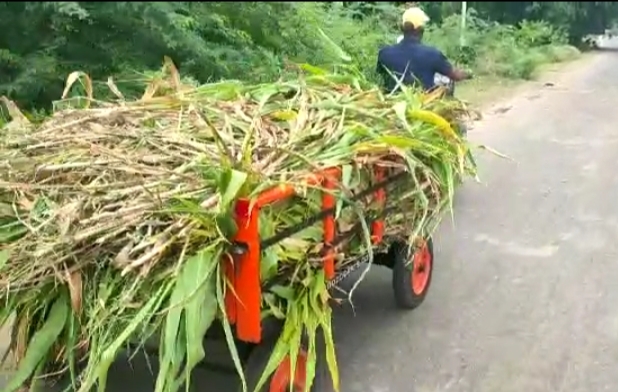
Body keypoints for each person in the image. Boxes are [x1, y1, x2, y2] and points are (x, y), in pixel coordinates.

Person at [377, 7, 470, 94]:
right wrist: (468, 74)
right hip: (424, 104)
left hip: (392, 105)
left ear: (402, 28)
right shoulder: (432, 54)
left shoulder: (384, 53)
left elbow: (380, 76)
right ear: (421, 30)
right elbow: (455, 75)